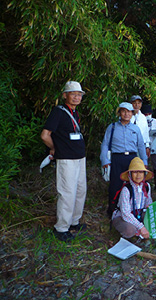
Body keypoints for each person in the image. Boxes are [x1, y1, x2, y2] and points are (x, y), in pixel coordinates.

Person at [40, 81, 87, 242]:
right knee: (67, 193)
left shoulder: (75, 113)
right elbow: (45, 135)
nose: (76, 97)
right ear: (65, 95)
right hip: (66, 159)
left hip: (80, 158)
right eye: (73, 93)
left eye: (79, 94)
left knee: (80, 191)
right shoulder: (58, 112)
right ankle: (61, 228)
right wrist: (54, 148)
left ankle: (74, 221)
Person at [100, 102, 147, 217]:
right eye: (124, 111)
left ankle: (132, 209)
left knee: (133, 183)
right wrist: (104, 160)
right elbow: (105, 144)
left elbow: (141, 145)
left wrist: (144, 162)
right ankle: (113, 210)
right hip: (116, 158)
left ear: (132, 113)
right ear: (119, 113)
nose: (126, 114)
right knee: (115, 184)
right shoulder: (112, 127)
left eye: (129, 111)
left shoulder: (135, 128)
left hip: (132, 159)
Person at [111, 157, 153, 239]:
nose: (138, 175)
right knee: (130, 230)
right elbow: (125, 213)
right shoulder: (126, 190)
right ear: (130, 174)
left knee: (152, 220)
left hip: (139, 213)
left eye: (141, 172)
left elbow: (148, 201)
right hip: (123, 216)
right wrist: (141, 227)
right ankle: (131, 234)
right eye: (135, 172)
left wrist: (149, 206)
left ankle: (140, 233)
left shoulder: (147, 186)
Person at [142, 104, 156, 192]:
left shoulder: (154, 121)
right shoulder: (140, 121)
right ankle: (145, 184)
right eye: (146, 114)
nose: (148, 116)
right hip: (144, 146)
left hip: (154, 145)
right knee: (144, 165)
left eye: (149, 113)